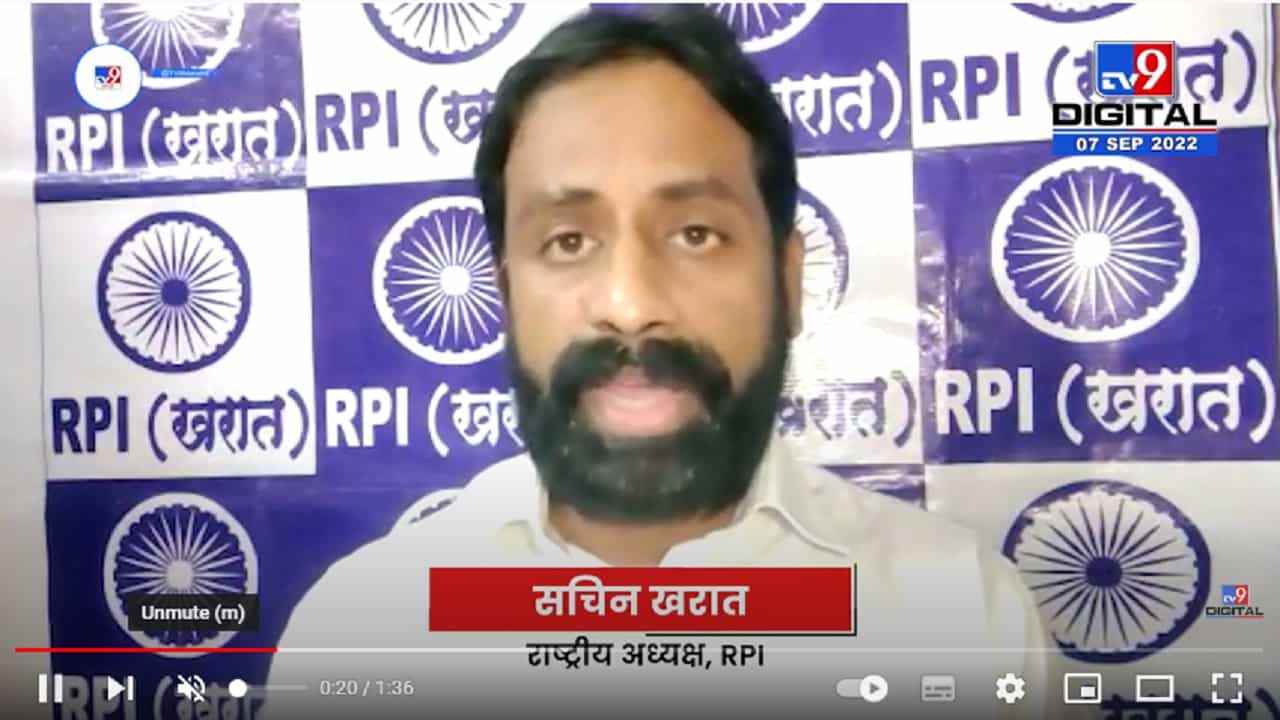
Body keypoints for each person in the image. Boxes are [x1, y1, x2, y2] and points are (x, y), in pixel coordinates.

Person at [267, 7, 1053, 718]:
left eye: (695, 235)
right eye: (567, 241)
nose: (630, 302)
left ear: (788, 280)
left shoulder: (967, 619)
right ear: (504, 294)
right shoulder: (360, 629)